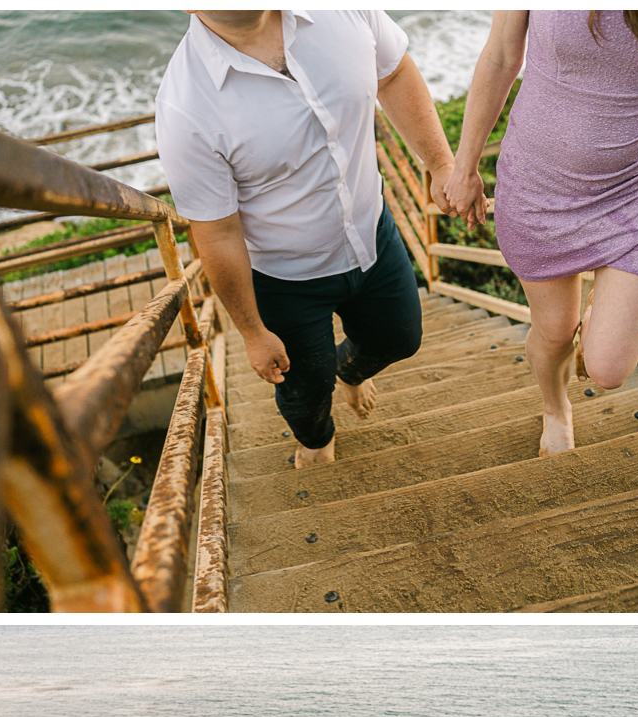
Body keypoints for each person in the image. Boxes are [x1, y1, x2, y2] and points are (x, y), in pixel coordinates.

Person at [156, 10, 455, 468]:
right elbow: (216, 232)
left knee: (400, 338)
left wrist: (440, 163)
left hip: (373, 230)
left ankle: (349, 371)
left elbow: (393, 74)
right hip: (284, 277)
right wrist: (253, 332)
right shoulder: (185, 105)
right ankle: (316, 445)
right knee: (304, 390)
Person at [443, 10, 638, 457]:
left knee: (609, 367)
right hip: (540, 185)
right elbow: (502, 55)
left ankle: (604, 297)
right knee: (555, 332)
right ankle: (555, 407)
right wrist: (464, 167)